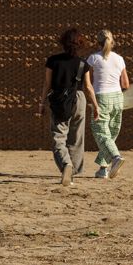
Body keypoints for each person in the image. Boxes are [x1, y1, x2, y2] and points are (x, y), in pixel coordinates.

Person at [37, 28, 88, 186]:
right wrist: (97, 107)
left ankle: (66, 164)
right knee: (76, 138)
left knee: (59, 137)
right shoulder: (82, 63)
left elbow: (47, 83)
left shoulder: (53, 60)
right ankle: (72, 173)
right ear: (80, 44)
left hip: (60, 100)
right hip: (79, 99)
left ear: (63, 43)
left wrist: (42, 103)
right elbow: (89, 87)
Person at [84, 29, 129, 180]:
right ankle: (103, 169)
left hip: (101, 98)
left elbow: (86, 81)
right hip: (118, 98)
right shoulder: (120, 59)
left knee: (101, 133)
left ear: (97, 42)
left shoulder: (93, 58)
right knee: (110, 134)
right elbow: (126, 84)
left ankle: (116, 158)